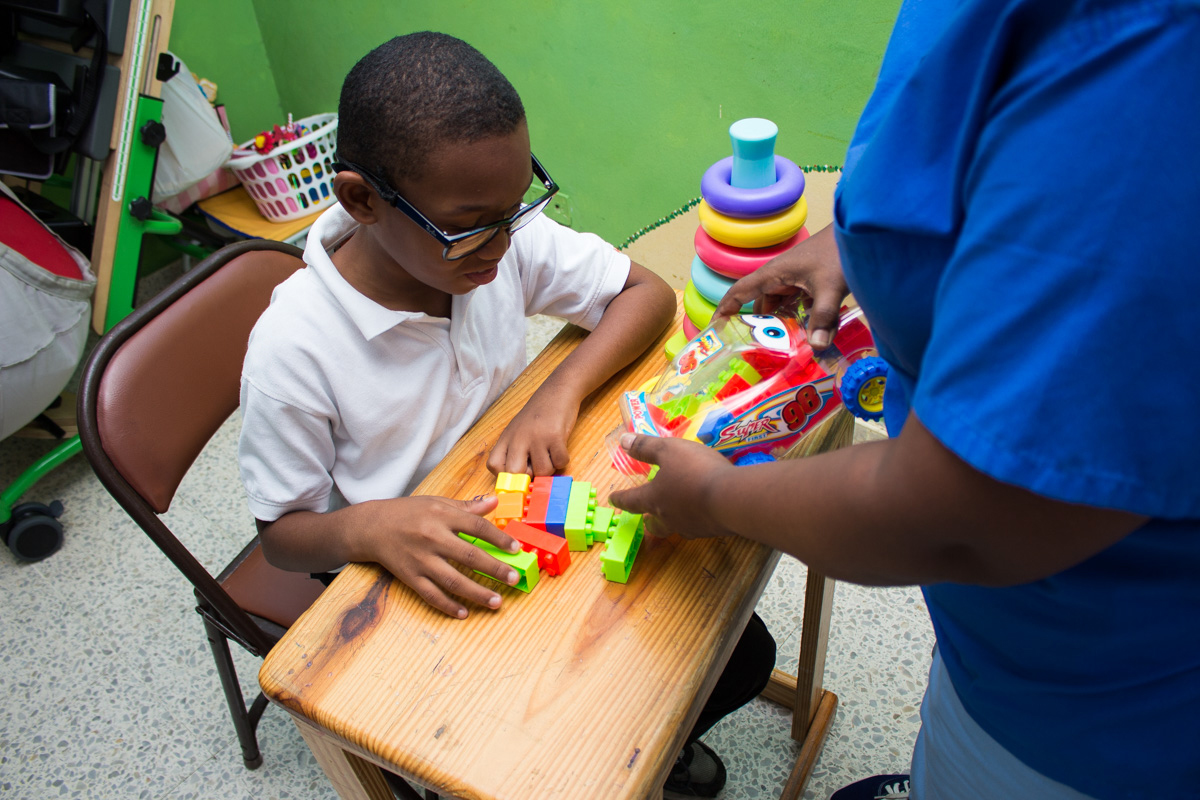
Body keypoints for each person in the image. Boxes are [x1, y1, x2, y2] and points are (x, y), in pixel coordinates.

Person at [610, 1, 1200, 799]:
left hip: (1100, 709)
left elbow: (967, 517)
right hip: (1002, 639)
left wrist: (715, 495)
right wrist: (858, 247)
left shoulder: (1151, 85)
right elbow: (977, 160)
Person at [237, 33, 773, 799]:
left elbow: (644, 294)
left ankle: (655, 752)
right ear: (361, 200)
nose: (501, 242)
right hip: (405, 564)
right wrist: (372, 525)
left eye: (518, 205)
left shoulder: (491, 237)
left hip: (517, 504)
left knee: (737, 654)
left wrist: (561, 390)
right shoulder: (292, 352)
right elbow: (281, 536)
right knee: (518, 749)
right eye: (472, 223)